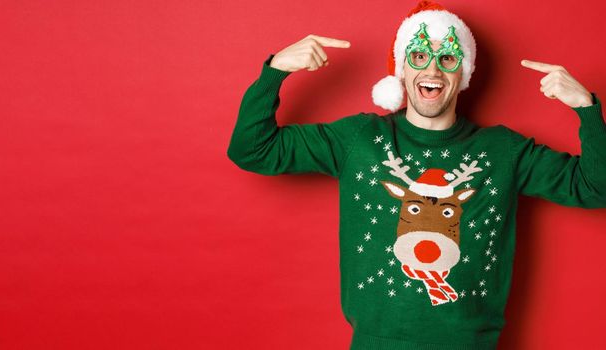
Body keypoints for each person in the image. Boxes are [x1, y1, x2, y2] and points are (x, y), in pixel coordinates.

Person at [226, 1, 605, 349]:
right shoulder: (359, 139)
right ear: (401, 69)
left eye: (448, 58)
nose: (433, 69)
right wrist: (275, 71)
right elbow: (252, 149)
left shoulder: (502, 151)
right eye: (420, 55)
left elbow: (595, 189)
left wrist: (586, 110)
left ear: (465, 72)